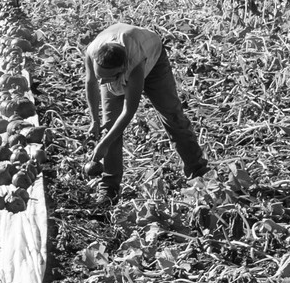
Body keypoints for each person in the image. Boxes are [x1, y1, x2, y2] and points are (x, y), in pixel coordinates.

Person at [84, 21, 206, 201]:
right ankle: (109, 188)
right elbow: (91, 83)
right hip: (119, 56)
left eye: (106, 78)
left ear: (122, 70)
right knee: (109, 126)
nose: (102, 83)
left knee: (171, 115)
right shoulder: (93, 52)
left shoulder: (134, 64)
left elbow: (128, 111)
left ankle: (198, 172)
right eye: (99, 76)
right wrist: (94, 120)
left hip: (153, 59)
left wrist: (104, 144)